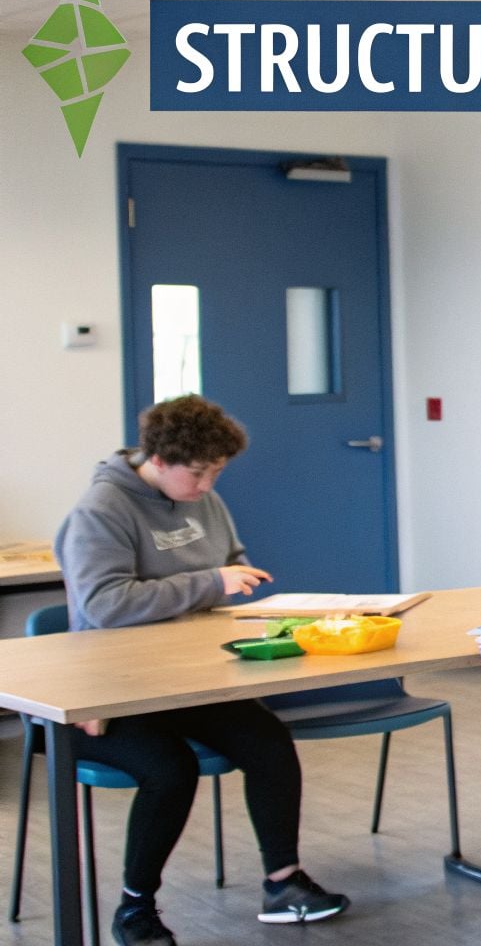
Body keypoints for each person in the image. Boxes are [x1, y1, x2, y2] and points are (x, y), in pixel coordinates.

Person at [53, 395, 350, 946]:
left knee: (268, 742)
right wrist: (210, 584)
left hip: (190, 679)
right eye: (199, 473)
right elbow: (106, 606)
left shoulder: (202, 500)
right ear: (159, 461)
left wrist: (234, 580)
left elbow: (231, 561)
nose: (209, 486)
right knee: (170, 771)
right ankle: (135, 910)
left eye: (218, 472)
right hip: (114, 688)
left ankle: (283, 885)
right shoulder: (102, 509)